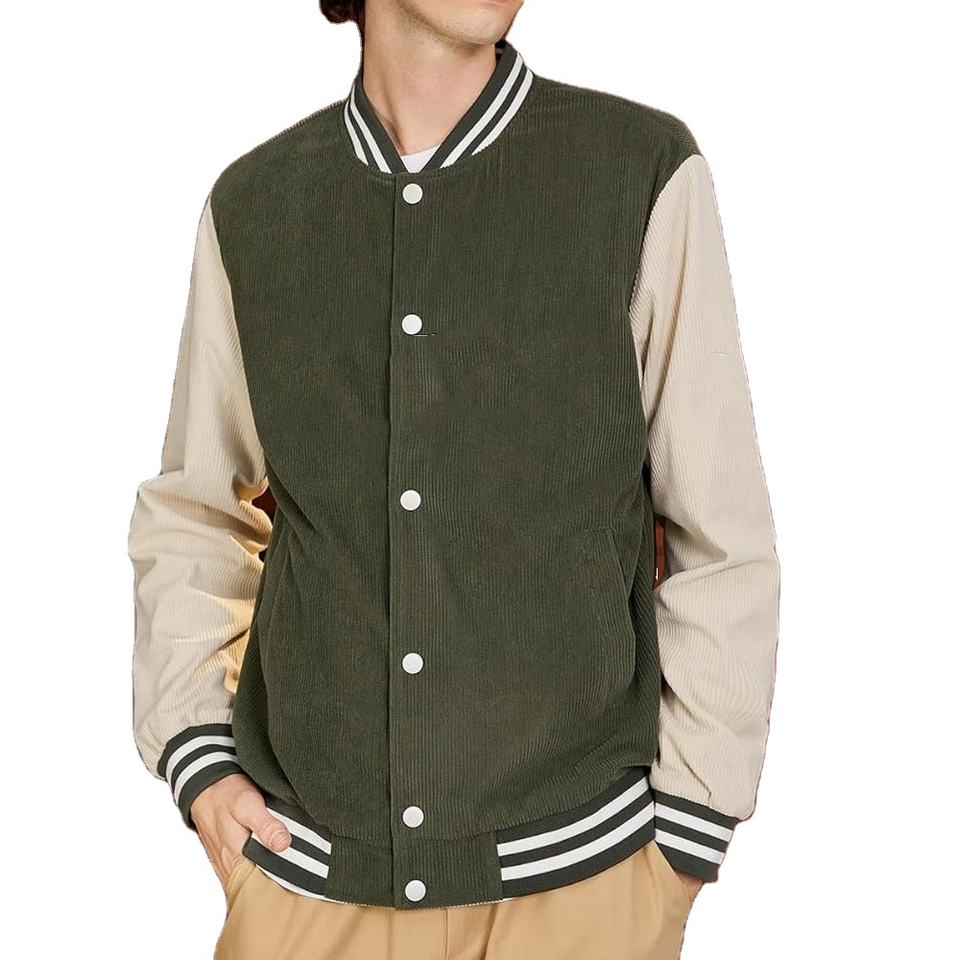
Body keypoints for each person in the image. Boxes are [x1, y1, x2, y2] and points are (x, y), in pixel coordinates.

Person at [127, 1, 781, 957]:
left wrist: (683, 843)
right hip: (307, 885)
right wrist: (199, 760)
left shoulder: (637, 171)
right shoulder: (256, 206)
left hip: (585, 888)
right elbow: (198, 511)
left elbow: (720, 531)